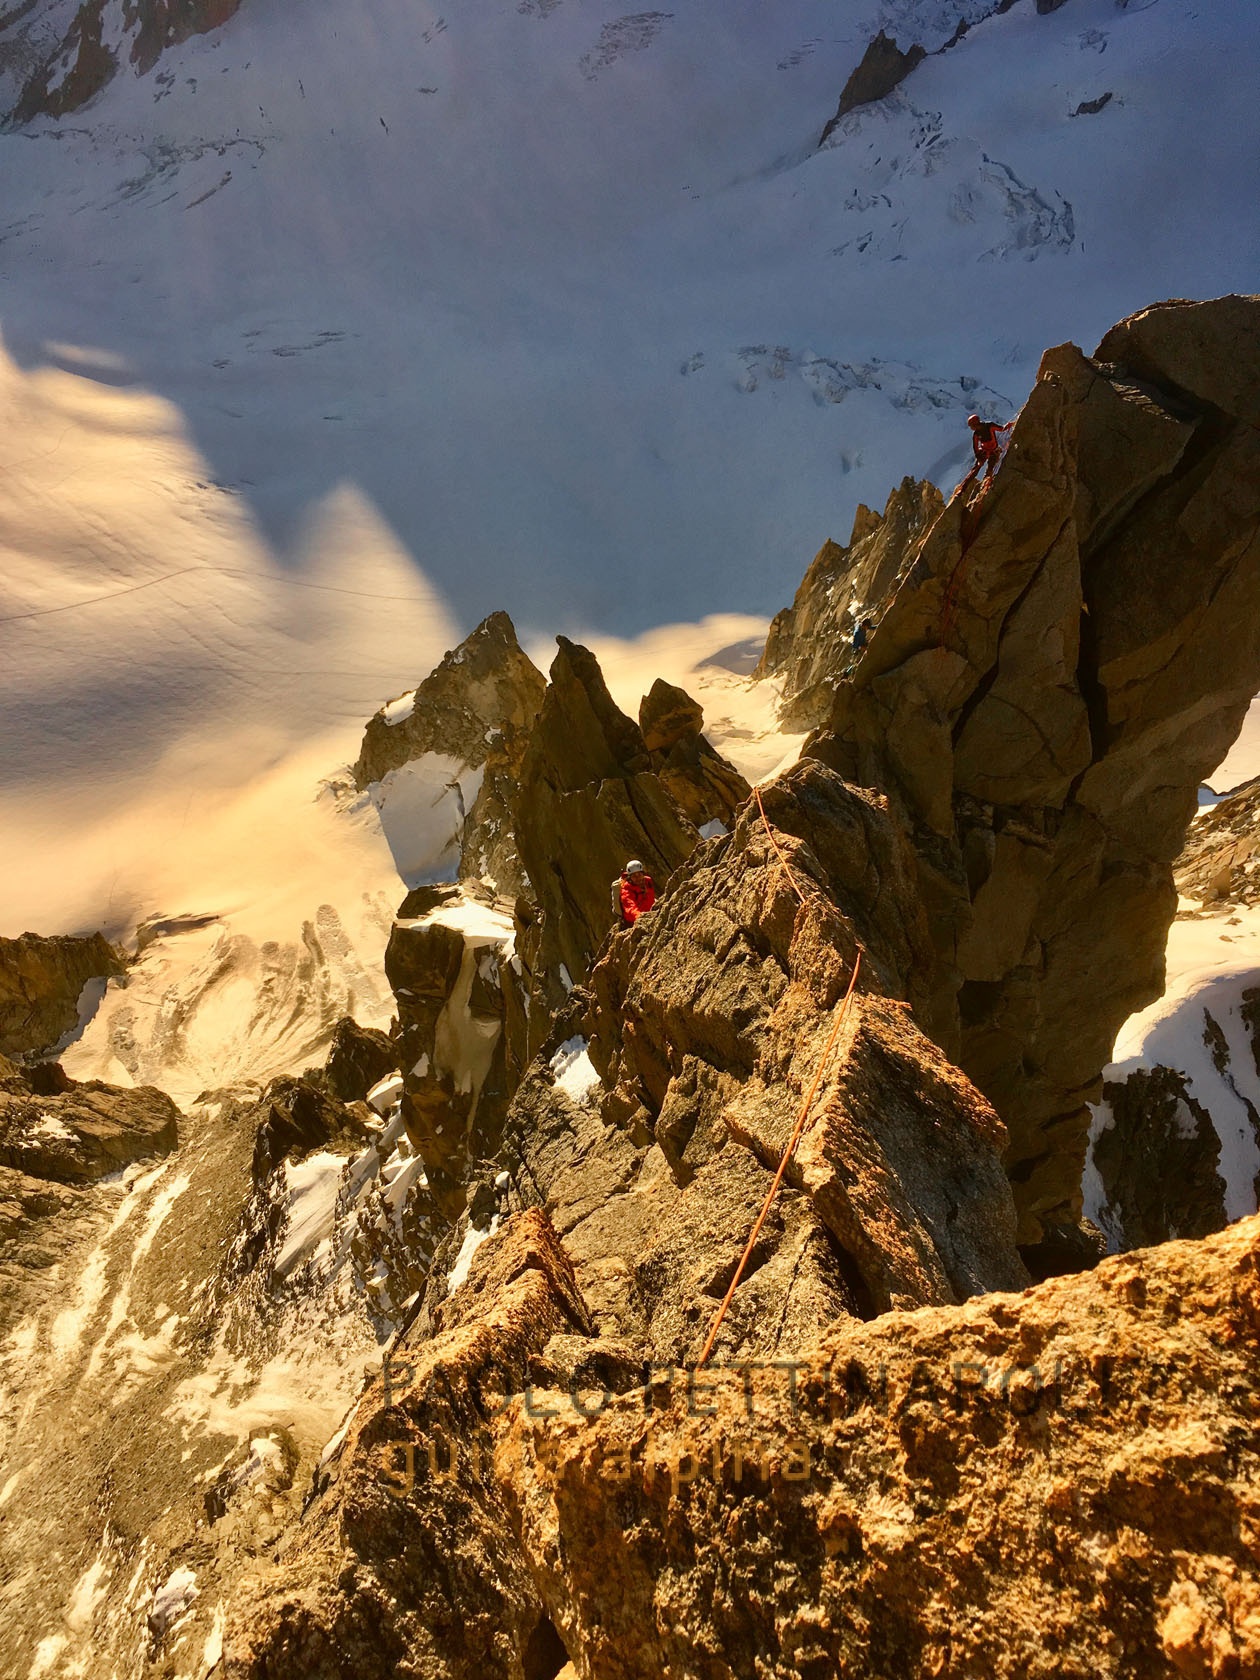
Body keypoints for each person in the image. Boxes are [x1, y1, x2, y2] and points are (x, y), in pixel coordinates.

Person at [967, 414, 1013, 478]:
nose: (971, 428)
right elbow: (1001, 429)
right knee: (977, 470)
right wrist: (979, 458)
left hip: (991, 451)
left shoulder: (988, 426)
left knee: (988, 470)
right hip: (988, 451)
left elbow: (1002, 428)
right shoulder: (979, 432)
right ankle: (967, 486)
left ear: (975, 425)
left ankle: (985, 483)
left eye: (971, 426)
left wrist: (1008, 425)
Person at [614, 860, 656, 927]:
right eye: (634, 876)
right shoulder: (626, 889)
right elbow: (630, 908)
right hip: (634, 920)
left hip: (650, 912)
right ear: (630, 877)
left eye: (639, 874)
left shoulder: (648, 881)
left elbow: (651, 897)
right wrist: (641, 917)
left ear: (643, 874)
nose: (637, 878)